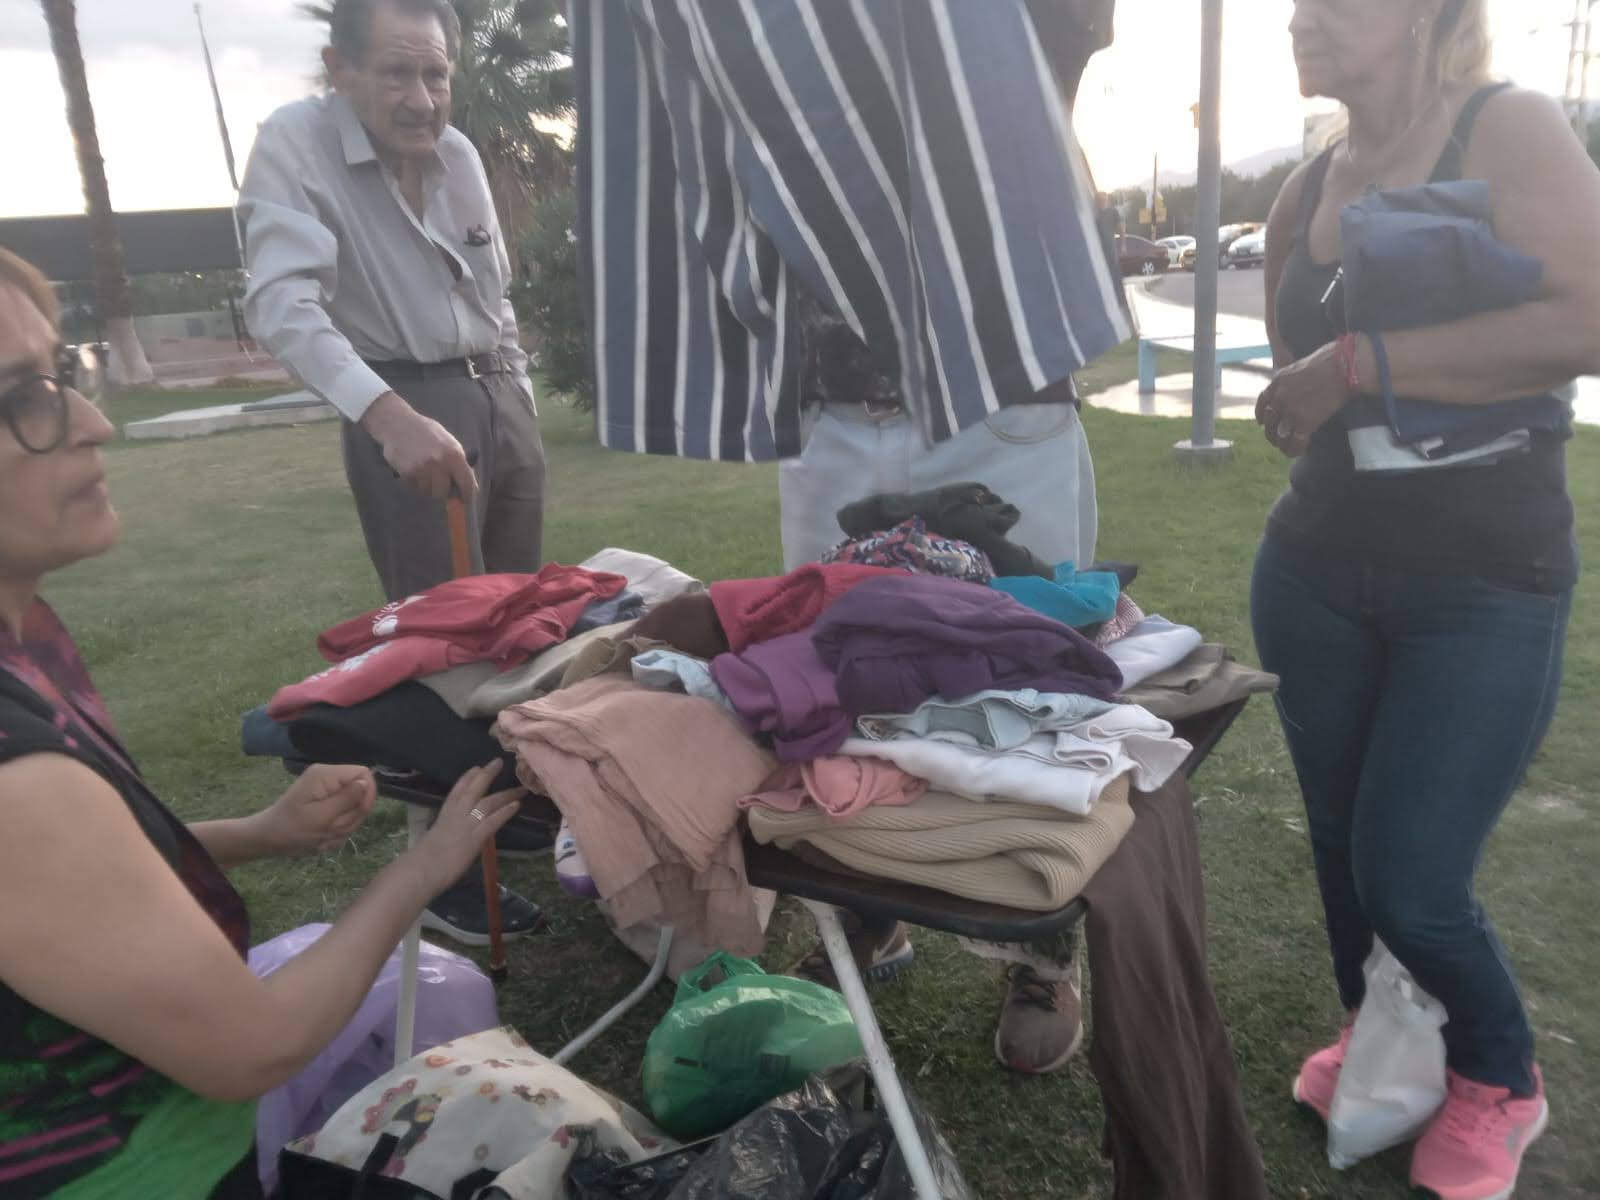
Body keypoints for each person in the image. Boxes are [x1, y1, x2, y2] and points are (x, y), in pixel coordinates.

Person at [571, 0, 1127, 1076]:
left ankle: (1042, 954)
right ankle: (872, 918)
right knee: (827, 676)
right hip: (833, 402)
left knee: (1028, 672)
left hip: (992, 392)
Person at [0, 247, 524, 1198]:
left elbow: (66, 891)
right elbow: (252, 1046)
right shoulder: (14, 778)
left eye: (62, 373)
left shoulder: (22, 640)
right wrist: (421, 870)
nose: (94, 422)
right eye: (19, 398)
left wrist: (261, 832)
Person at [1251, 2, 1600, 1195]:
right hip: (1312, 571)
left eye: (1334, 1)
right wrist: (1309, 389)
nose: (1300, 18)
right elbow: (1287, 374)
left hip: (1484, 581)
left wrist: (1360, 366)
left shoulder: (1505, 127)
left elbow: (1589, 314)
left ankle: (1500, 1074)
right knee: (1342, 844)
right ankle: (1379, 1030)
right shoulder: (1308, 182)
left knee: (1410, 871)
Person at [238, 0, 547, 946]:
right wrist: (387, 416)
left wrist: (518, 402)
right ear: (340, 68)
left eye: (437, 74)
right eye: (397, 73)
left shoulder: (458, 154)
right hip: (403, 403)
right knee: (440, 653)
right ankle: (450, 877)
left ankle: (517, 816)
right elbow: (283, 305)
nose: (422, 98)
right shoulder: (294, 143)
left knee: (519, 638)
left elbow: (491, 295)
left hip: (496, 395)